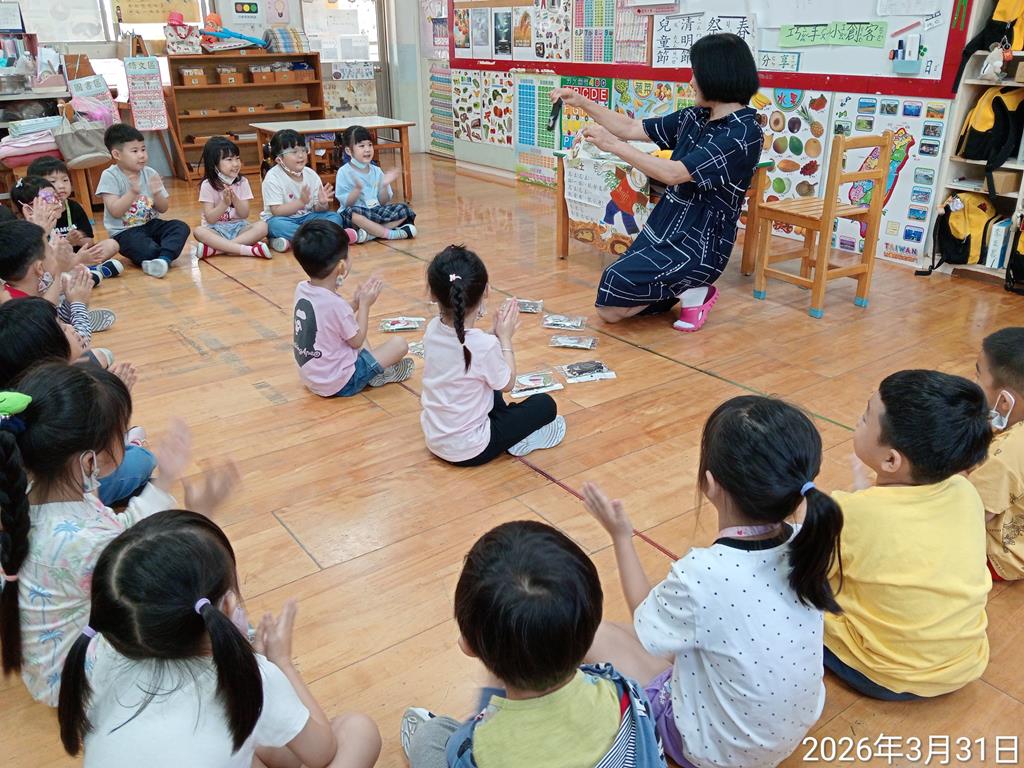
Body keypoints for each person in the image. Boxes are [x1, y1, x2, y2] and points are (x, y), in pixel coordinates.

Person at [583, 395, 843, 768]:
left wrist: (621, 537)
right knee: (672, 636)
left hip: (717, 753)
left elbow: (644, 623)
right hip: (788, 733)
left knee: (593, 633)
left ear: (709, 483)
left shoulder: (703, 574)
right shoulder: (808, 541)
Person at [57, 510, 382, 768]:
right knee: (358, 731)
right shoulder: (253, 677)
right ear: (227, 605)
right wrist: (281, 663)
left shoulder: (102, 659)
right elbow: (322, 752)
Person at [0, 361, 237, 706]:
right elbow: (154, 575)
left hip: (44, 655)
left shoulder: (24, 493)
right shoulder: (85, 542)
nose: (123, 442)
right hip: (71, 679)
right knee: (195, 615)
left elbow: (119, 531)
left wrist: (165, 481)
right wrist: (198, 518)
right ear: (89, 463)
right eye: (121, 434)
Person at [400, 520, 663, 768]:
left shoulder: (478, 750)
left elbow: (475, 746)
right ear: (591, 632)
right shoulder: (624, 691)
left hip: (483, 745)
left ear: (468, 645)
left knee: (431, 736)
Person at [549, 33, 762, 331]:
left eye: (696, 74)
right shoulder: (696, 117)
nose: (691, 82)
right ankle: (690, 291)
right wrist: (582, 102)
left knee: (613, 291)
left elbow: (675, 173)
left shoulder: (744, 134)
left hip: (701, 241)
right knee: (610, 307)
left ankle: (694, 287)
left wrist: (613, 146)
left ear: (717, 75)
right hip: (666, 226)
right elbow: (631, 127)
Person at [827, 370, 992, 700]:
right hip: (964, 663)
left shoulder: (851, 512)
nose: (859, 420)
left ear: (891, 460)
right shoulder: (964, 490)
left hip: (884, 674)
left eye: (865, 417)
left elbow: (807, 569)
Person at [0, 298, 154, 508]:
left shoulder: (26, 394)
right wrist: (116, 406)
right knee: (144, 459)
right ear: (47, 353)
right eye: (63, 327)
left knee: (99, 357)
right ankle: (130, 445)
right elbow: (89, 455)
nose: (71, 327)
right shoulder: (61, 405)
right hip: (69, 485)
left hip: (52, 472)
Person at [420, 246, 565, 465]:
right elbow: (508, 384)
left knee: (488, 383)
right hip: (472, 451)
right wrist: (505, 338)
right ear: (486, 290)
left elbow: (466, 355)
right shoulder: (485, 346)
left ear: (433, 294)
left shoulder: (432, 329)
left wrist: (494, 335)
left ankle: (510, 428)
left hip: (435, 438)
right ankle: (517, 437)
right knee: (545, 405)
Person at [291, 219, 413, 397]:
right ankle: (375, 374)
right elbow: (356, 341)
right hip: (340, 383)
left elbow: (329, 319)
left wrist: (355, 304)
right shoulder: (335, 304)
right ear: (341, 266)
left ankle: (374, 369)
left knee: (352, 328)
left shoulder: (302, 288)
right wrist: (364, 306)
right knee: (399, 345)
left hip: (312, 377)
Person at [96, 124, 190, 278]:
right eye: (135, 151)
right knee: (146, 248)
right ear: (117, 154)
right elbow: (115, 211)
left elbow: (163, 208)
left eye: (143, 149)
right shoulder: (110, 176)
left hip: (151, 225)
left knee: (180, 227)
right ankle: (163, 255)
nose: (141, 155)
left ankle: (163, 259)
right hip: (125, 232)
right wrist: (133, 192)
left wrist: (157, 193)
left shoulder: (150, 172)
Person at [972, 328, 1024, 581]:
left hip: (1001, 556)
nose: (974, 384)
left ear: (1005, 402)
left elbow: (971, 513)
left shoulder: (1006, 456)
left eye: (978, 376)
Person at [25, 157, 123, 282]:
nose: (61, 186)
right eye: (52, 182)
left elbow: (89, 242)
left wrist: (78, 239)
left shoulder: (74, 207)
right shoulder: (37, 213)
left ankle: (82, 271)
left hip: (78, 256)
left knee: (112, 244)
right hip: (53, 260)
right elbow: (37, 251)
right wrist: (67, 241)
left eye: (65, 180)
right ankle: (87, 271)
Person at [0, 220, 98, 343]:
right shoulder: (26, 312)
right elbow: (80, 344)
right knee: (99, 353)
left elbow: (54, 314)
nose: (55, 254)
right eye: (51, 252)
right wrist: (79, 303)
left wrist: (70, 302)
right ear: (39, 268)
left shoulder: (16, 294)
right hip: (60, 351)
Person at [262, 129, 355, 253]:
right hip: (283, 219)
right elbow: (277, 211)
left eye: (303, 150)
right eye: (294, 152)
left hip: (308, 218)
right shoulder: (273, 177)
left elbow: (318, 209)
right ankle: (331, 238)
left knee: (335, 217)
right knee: (274, 225)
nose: (301, 155)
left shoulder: (311, 174)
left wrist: (322, 203)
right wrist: (300, 203)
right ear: (279, 159)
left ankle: (297, 240)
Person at [191, 136, 271, 259]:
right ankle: (247, 250)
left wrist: (234, 199)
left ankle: (218, 250)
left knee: (263, 226)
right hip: (215, 230)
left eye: (237, 158)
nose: (235, 164)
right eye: (229, 159)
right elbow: (210, 219)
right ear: (214, 164)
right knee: (199, 231)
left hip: (239, 228)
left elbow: (244, 214)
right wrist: (224, 203)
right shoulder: (207, 185)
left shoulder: (242, 182)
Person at [335, 125, 416, 243]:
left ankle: (370, 234)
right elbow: (347, 203)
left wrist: (384, 185)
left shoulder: (376, 171)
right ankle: (389, 234)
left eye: (370, 145)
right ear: (349, 151)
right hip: (357, 215)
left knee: (404, 210)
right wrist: (357, 190)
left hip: (375, 211)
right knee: (352, 214)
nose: (367, 149)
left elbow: (382, 201)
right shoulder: (344, 172)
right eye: (361, 146)